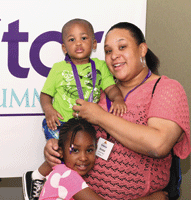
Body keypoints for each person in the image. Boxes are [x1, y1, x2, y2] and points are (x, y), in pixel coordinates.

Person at [44, 22, 190, 200]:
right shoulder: (99, 91)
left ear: (142, 49)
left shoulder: (165, 89)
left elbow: (158, 145)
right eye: (108, 51)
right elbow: (78, 137)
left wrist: (100, 117)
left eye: (122, 47)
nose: (114, 56)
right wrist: (56, 147)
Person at [23, 18, 127, 200]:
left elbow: (111, 89)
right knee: (58, 152)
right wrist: (48, 110)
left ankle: (70, 189)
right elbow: (45, 95)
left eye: (84, 38)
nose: (78, 43)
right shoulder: (58, 69)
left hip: (85, 126)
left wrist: (118, 99)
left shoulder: (100, 67)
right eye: (71, 40)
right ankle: (37, 177)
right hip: (60, 123)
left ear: (94, 44)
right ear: (64, 48)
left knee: (82, 158)